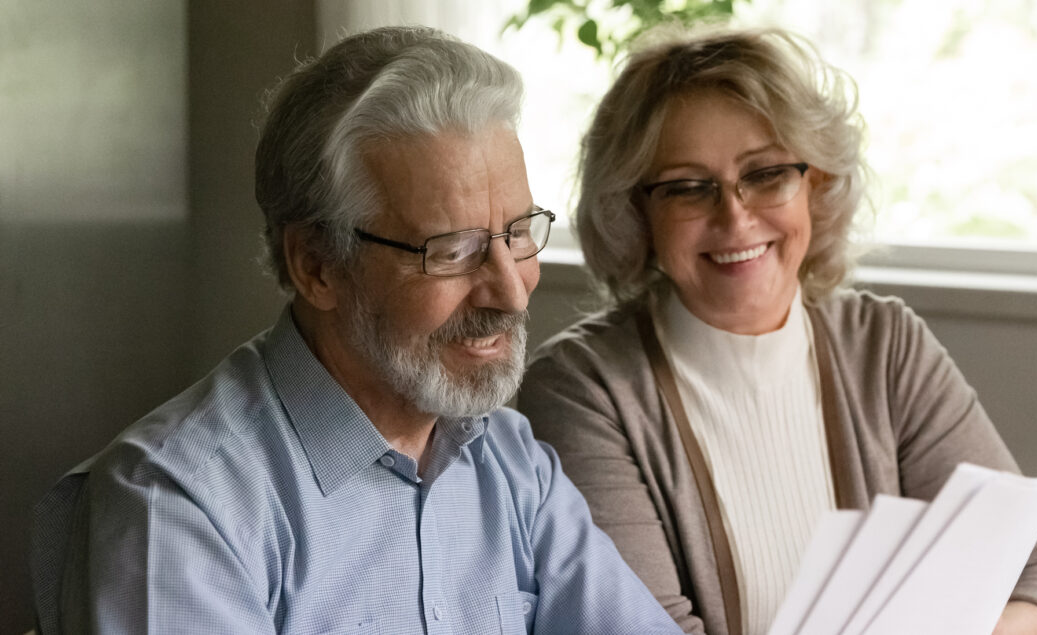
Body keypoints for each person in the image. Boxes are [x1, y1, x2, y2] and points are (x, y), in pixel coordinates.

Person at [29, 26, 682, 635]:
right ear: (316, 265)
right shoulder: (178, 501)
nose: (511, 290)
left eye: (517, 234)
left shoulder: (511, 464)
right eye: (450, 251)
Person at [517, 27, 1037, 635]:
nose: (735, 216)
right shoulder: (580, 392)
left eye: (766, 174)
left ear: (815, 185)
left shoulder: (886, 345)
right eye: (687, 187)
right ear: (636, 210)